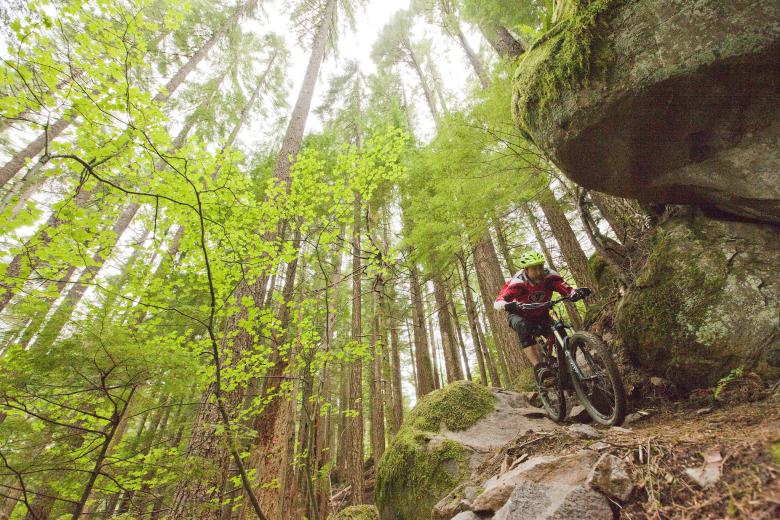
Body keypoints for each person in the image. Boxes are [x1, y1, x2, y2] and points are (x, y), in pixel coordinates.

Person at [493, 251, 590, 385]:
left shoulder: (549, 276)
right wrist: (507, 305)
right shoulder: (518, 283)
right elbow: (499, 300)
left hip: (542, 313)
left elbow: (564, 287)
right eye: (534, 269)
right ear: (526, 270)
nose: (539, 272)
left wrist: (574, 293)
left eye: (540, 267)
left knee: (560, 331)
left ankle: (566, 371)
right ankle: (539, 367)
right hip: (520, 315)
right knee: (523, 326)